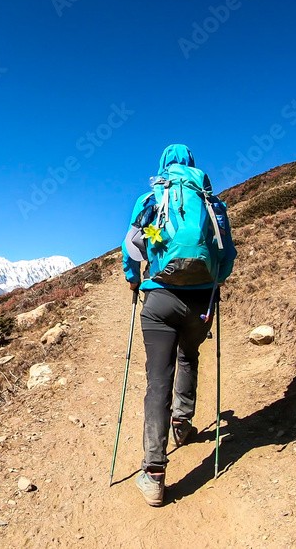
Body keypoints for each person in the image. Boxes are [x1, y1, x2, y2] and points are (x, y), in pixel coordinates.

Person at [121, 143, 237, 506]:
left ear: (163, 166)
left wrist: (134, 279)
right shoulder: (212, 204)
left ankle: (154, 473)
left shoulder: (151, 199)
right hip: (201, 302)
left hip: (159, 300)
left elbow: (130, 247)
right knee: (189, 356)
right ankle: (182, 425)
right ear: (192, 166)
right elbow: (227, 254)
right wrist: (213, 284)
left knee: (158, 382)